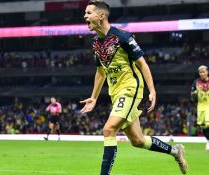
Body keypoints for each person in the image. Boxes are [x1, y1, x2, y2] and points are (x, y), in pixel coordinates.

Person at [80, 1, 187, 174]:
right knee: (137, 140)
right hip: (116, 93)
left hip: (131, 89)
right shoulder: (96, 44)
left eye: (88, 13)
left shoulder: (123, 38)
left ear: (101, 16)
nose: (85, 16)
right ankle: (175, 151)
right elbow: (101, 72)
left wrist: (152, 91)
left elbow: (143, 65)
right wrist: (94, 96)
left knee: (109, 129)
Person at [191, 65, 209, 151]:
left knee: (208, 124)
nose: (202, 74)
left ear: (207, 72)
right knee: (202, 125)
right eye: (200, 72)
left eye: (203, 72)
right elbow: (192, 92)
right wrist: (194, 93)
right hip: (200, 105)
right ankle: (208, 140)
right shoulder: (196, 82)